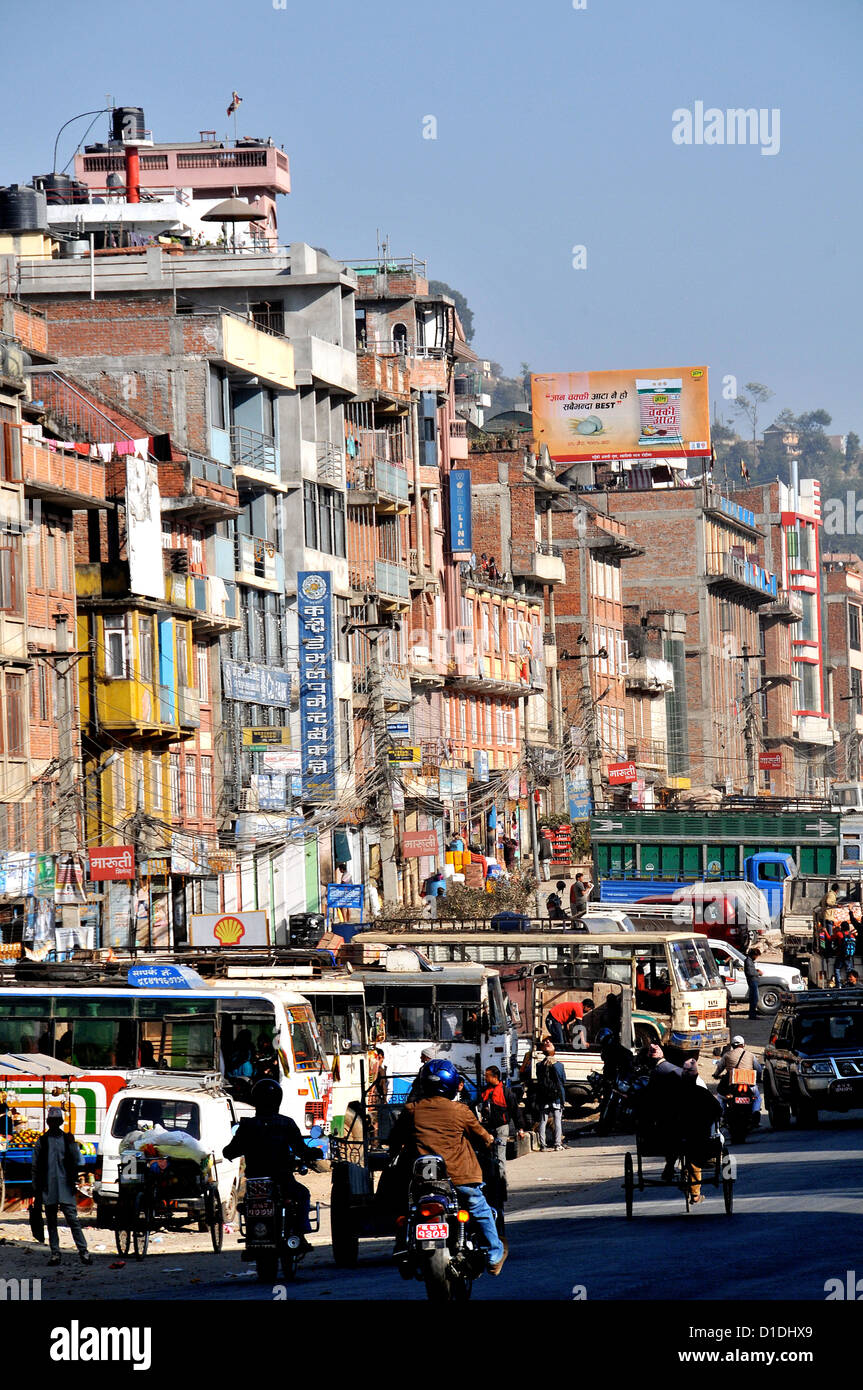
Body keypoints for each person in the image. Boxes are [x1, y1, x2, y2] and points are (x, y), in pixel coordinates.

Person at [386, 1059, 507, 1275]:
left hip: (420, 1182)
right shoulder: (460, 1110)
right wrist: (490, 1139)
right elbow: (482, 1137)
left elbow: (395, 1138)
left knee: (406, 1210)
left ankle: (403, 1246)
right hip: (459, 1179)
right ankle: (494, 1253)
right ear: (452, 1084)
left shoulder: (412, 1109)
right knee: (480, 1208)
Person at [223, 1078, 327, 1254]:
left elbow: (230, 1151)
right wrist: (314, 1153)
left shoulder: (247, 1125)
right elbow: (301, 1150)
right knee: (302, 1195)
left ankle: (256, 1237)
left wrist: (231, 1151)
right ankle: (300, 1234)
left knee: (248, 1204)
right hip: (282, 1178)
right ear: (278, 1099)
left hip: (257, 1182)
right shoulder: (286, 1123)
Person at [32, 1108, 91, 1266]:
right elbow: (36, 1166)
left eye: (56, 1121)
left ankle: (83, 1251)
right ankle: (55, 1253)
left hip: (65, 1186)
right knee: (51, 1222)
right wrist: (36, 1187)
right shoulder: (42, 1141)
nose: (54, 1124)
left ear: (60, 1122)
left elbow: (79, 1161)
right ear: (49, 1122)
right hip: (48, 1187)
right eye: (52, 1121)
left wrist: (72, 1146)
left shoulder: (67, 1140)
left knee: (73, 1220)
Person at [678, 1060, 723, 1205]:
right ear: (696, 1074)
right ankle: (695, 1194)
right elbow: (718, 1111)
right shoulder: (702, 1092)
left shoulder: (672, 1092)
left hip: (674, 1138)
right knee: (694, 1160)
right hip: (697, 1138)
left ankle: (671, 1168)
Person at [713, 1034, 762, 1118]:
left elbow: (720, 1067)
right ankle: (755, 1112)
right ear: (743, 1045)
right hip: (749, 1083)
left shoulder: (727, 1055)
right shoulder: (751, 1055)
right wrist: (758, 1079)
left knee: (720, 1097)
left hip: (732, 1084)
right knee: (757, 1097)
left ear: (732, 1045)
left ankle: (723, 1114)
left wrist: (716, 1075)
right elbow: (758, 1069)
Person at [534, 1038, 566, 1150]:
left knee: (543, 1120)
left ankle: (543, 1145)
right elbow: (562, 1081)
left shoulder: (539, 1066)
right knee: (557, 1120)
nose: (547, 1043)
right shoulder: (559, 1065)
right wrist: (563, 1099)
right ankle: (558, 1144)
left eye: (549, 1043)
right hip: (556, 1096)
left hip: (544, 1096)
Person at [743, 949, 761, 1020]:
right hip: (752, 981)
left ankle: (752, 1015)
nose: (756, 957)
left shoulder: (749, 961)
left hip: (753, 981)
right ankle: (752, 1015)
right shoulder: (748, 961)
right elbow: (750, 973)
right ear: (754, 955)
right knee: (754, 998)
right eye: (756, 956)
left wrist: (756, 970)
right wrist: (758, 973)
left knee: (754, 998)